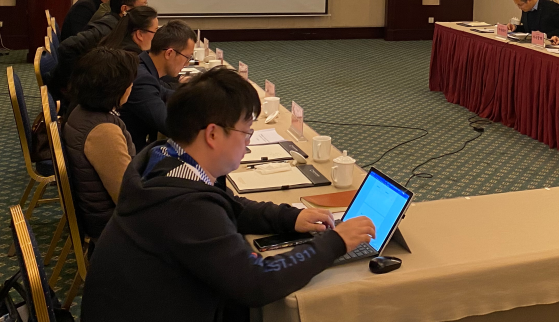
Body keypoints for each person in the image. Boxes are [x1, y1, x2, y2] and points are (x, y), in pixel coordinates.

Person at [80, 68, 376, 322]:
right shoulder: (186, 207)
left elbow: (230, 207)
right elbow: (257, 282)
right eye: (246, 131)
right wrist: (335, 242)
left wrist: (291, 217)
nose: (248, 142)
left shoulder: (165, 157)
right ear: (212, 134)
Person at [62, 47, 138, 240]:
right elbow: (128, 197)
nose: (132, 86)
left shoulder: (81, 110)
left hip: (101, 214)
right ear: (117, 88)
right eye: (129, 81)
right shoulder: (104, 131)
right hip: (113, 226)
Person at [49, 0, 148, 97]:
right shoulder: (105, 29)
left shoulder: (118, 24)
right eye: (143, 6)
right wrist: (73, 84)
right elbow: (66, 47)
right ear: (124, 9)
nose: (146, 10)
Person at [121, 20, 196, 149]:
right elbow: (170, 126)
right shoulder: (142, 79)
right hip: (132, 154)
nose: (187, 63)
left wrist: (202, 97)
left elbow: (166, 94)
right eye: (187, 57)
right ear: (169, 53)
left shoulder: (144, 67)